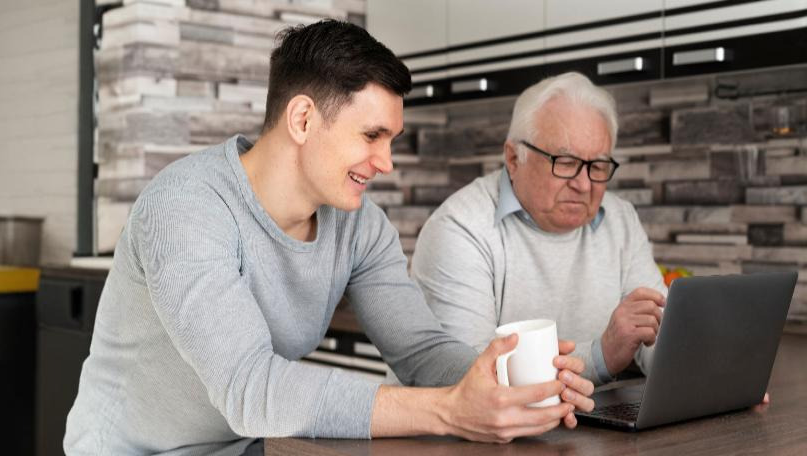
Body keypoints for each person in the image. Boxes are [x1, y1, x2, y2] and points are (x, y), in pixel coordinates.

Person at [63, 20, 594, 455]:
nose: (385, 162)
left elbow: (421, 350)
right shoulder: (187, 208)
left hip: (246, 449)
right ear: (301, 118)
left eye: (391, 139)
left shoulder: (359, 225)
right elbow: (251, 389)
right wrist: (448, 410)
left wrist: (509, 387)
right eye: (371, 136)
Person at [409, 72, 669, 386]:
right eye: (565, 161)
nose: (583, 184)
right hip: (463, 434)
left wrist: (710, 370)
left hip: (580, 426)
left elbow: (660, 337)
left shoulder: (621, 220)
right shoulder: (460, 229)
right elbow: (471, 382)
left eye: (598, 166)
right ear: (513, 158)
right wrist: (600, 356)